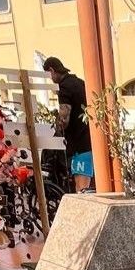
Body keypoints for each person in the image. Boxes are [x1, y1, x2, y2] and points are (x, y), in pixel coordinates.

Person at [43, 56, 93, 191]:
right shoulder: (79, 82)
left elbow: (64, 118)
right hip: (90, 138)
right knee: (87, 184)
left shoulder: (64, 88)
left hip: (79, 144)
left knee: (81, 187)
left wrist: (57, 130)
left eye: (49, 75)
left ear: (52, 70)